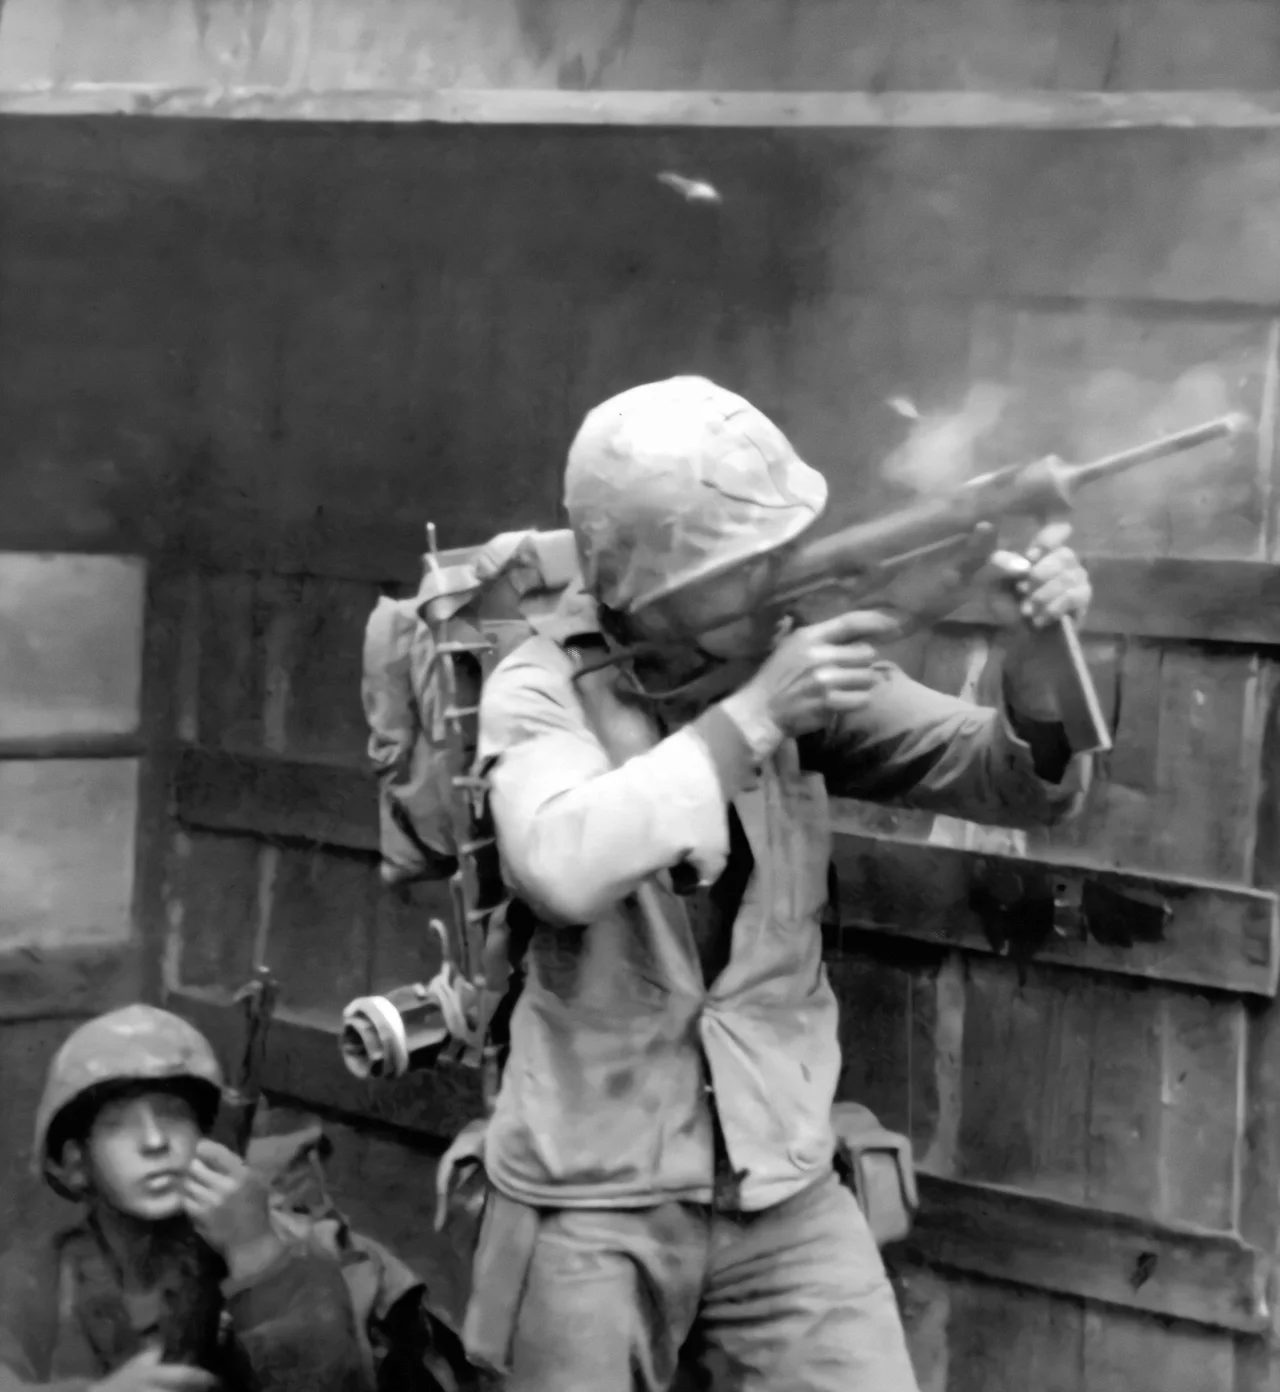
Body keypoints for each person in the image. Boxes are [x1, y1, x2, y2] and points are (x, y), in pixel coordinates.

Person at [466, 376, 1096, 1392]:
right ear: (644, 578)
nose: (771, 578)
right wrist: (757, 712)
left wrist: (1032, 657)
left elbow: (1008, 777)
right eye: (735, 563)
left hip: (781, 1182)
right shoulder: (542, 685)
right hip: (587, 1196)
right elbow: (559, 863)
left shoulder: (775, 661)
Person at [0, 1004, 372, 1392]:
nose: (155, 1142)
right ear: (75, 1162)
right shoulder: (37, 1278)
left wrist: (254, 1251)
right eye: (117, 1125)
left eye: (173, 1115)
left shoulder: (291, 1256)